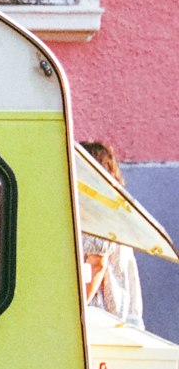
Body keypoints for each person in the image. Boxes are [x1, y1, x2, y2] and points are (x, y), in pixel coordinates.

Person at [80, 140, 145, 329]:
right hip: (126, 315)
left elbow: (97, 264)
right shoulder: (115, 209)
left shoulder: (97, 211)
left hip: (103, 318)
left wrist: (77, 309)